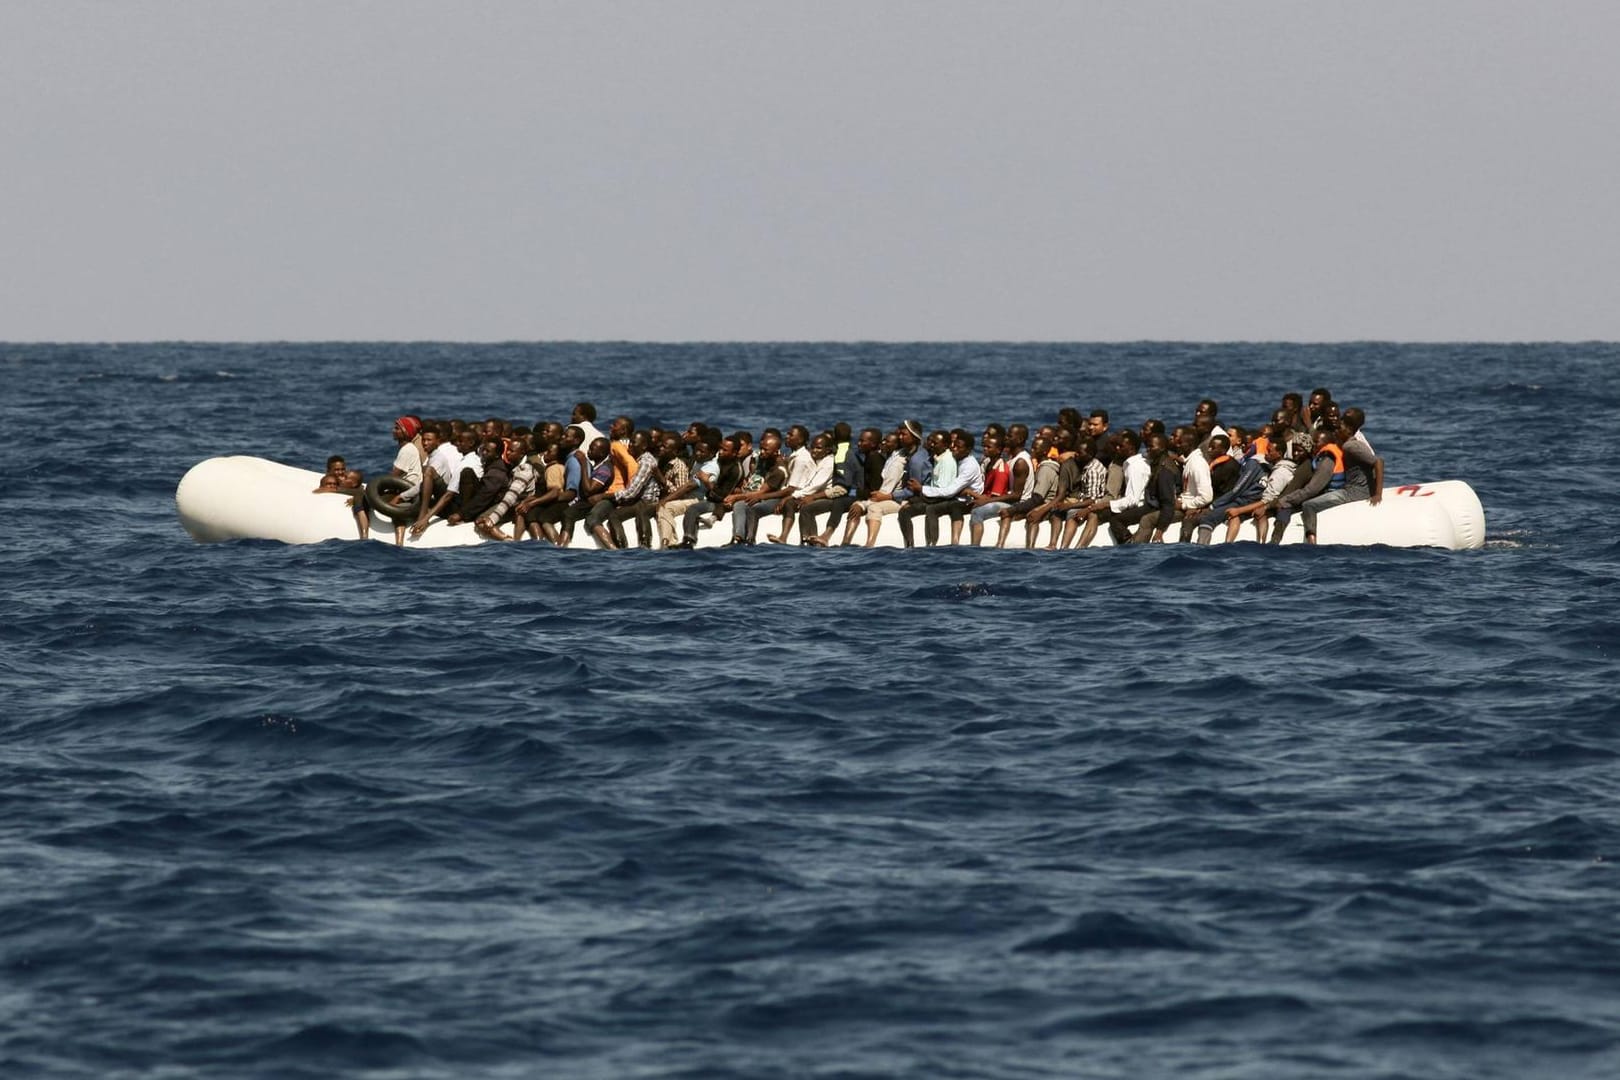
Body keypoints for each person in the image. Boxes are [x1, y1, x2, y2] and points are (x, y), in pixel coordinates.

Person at [1298, 407, 1383, 543]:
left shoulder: (1350, 446)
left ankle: (1311, 543)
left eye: (1341, 428)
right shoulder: (1352, 443)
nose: (1337, 430)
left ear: (1349, 430)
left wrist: (1378, 494)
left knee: (1309, 505)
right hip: (1354, 489)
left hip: (1353, 493)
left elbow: (1378, 462)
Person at [897, 429, 984, 547]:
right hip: (952, 497)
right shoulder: (951, 459)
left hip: (962, 501)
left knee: (927, 509)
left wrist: (921, 489)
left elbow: (948, 491)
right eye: (954, 445)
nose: (954, 448)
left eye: (958, 447)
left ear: (968, 450)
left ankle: (929, 544)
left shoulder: (964, 465)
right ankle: (913, 544)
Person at [801, 427, 882, 547]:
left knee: (838, 501)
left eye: (862, 441)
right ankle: (811, 541)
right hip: (856, 495)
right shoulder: (862, 456)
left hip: (859, 497)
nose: (858, 444)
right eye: (858, 440)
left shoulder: (847, 455)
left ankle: (825, 536)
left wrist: (814, 496)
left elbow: (845, 487)